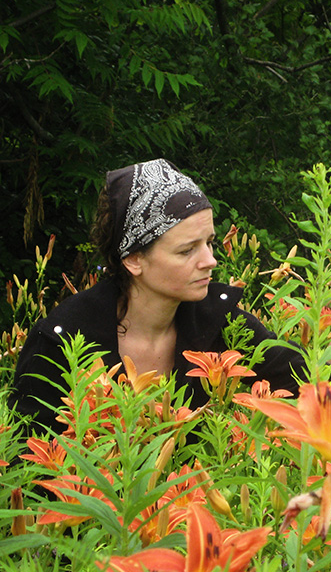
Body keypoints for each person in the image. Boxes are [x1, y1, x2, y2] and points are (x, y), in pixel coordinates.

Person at [11, 159, 313, 433]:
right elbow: (25, 461)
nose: (210, 261)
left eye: (209, 243)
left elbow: (308, 381)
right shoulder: (58, 342)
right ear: (134, 260)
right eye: (187, 250)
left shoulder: (221, 322)